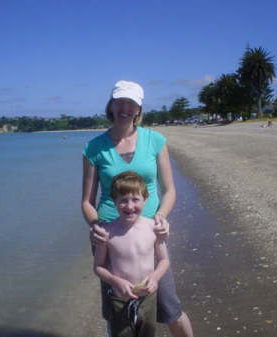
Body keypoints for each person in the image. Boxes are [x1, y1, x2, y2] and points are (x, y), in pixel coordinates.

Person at [82, 80, 194, 337]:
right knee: (120, 313)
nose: (124, 108)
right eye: (119, 102)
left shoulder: (155, 140)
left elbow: (170, 190)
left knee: (170, 308)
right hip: (111, 240)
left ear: (139, 109)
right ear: (111, 106)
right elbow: (86, 201)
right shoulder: (93, 148)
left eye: (130, 104)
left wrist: (162, 218)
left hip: (150, 236)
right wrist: (95, 225)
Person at [94, 171, 170, 337]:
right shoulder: (106, 232)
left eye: (135, 199)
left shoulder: (153, 228)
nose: (129, 206)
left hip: (147, 297)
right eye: (123, 201)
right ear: (114, 201)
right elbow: (98, 267)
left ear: (145, 199)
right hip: (119, 299)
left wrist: (155, 277)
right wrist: (115, 281)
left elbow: (164, 260)